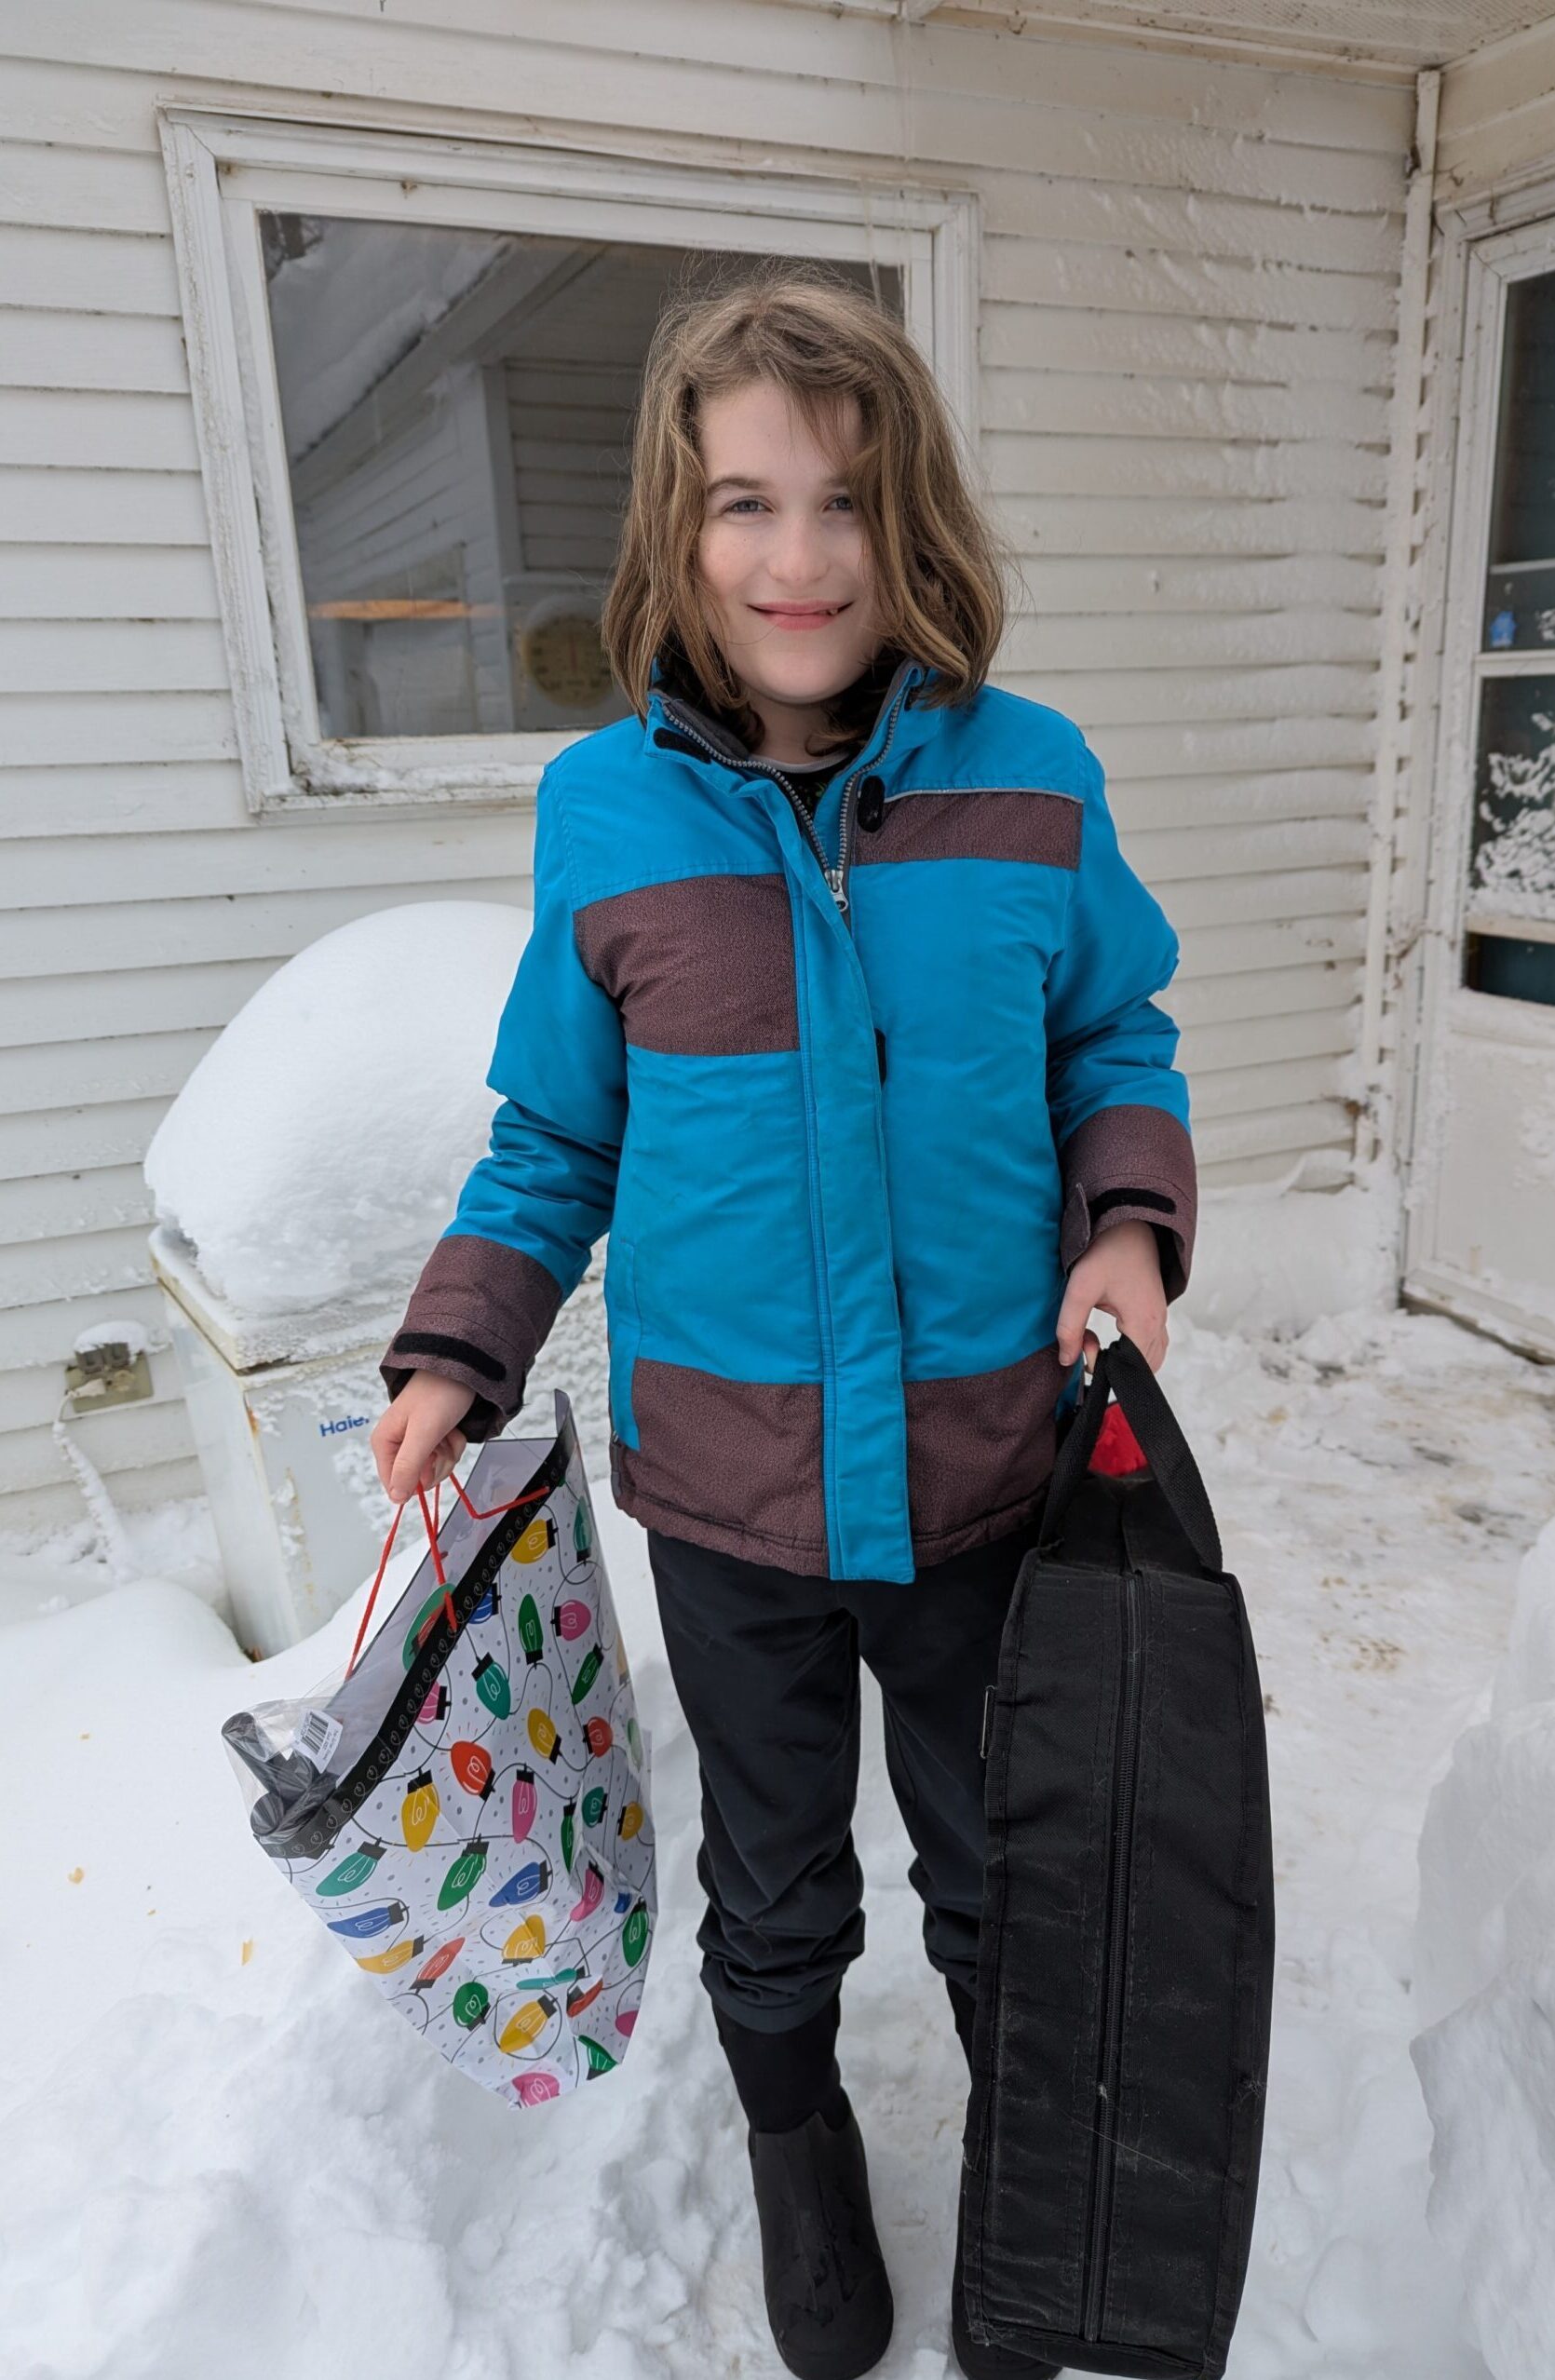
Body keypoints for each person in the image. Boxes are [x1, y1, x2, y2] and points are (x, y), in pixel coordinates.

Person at [371, 264, 1196, 2380]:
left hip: (985, 1468)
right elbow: (554, 1136)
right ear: (679, 525)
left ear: (907, 516)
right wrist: (459, 1344)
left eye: (839, 502)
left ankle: (1029, 2167)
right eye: (745, 504)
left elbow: (1112, 1030)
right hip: (729, 1500)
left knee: (1002, 1863)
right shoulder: (609, 818)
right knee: (775, 1875)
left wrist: (1125, 1228)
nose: (798, 556)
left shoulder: (1030, 782)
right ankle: (799, 2136)